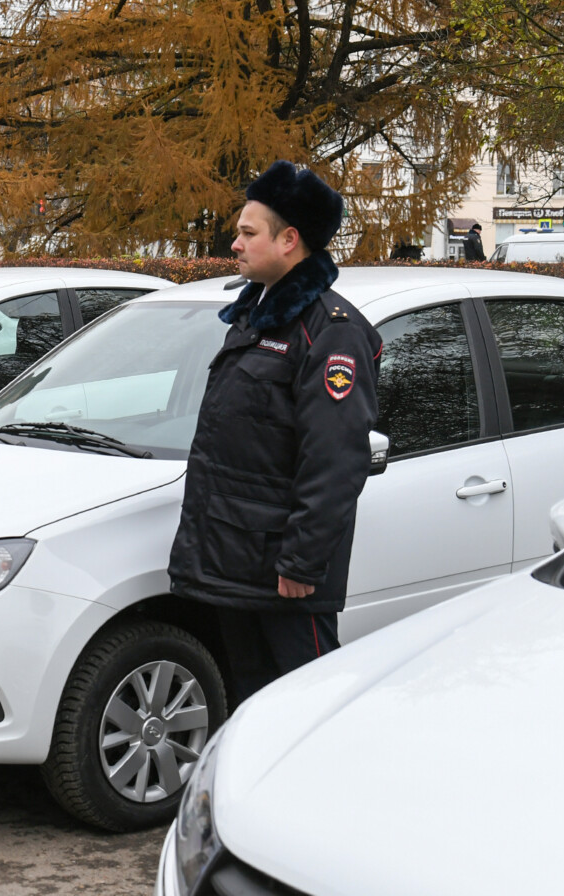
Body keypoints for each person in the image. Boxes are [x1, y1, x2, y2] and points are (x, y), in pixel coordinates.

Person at [168, 160, 382, 706]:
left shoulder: (332, 333)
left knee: (304, 709)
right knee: (250, 703)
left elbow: (335, 460)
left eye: (247, 232)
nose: (233, 244)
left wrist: (302, 562)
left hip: (285, 576)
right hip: (237, 561)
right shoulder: (256, 316)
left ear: (289, 240)